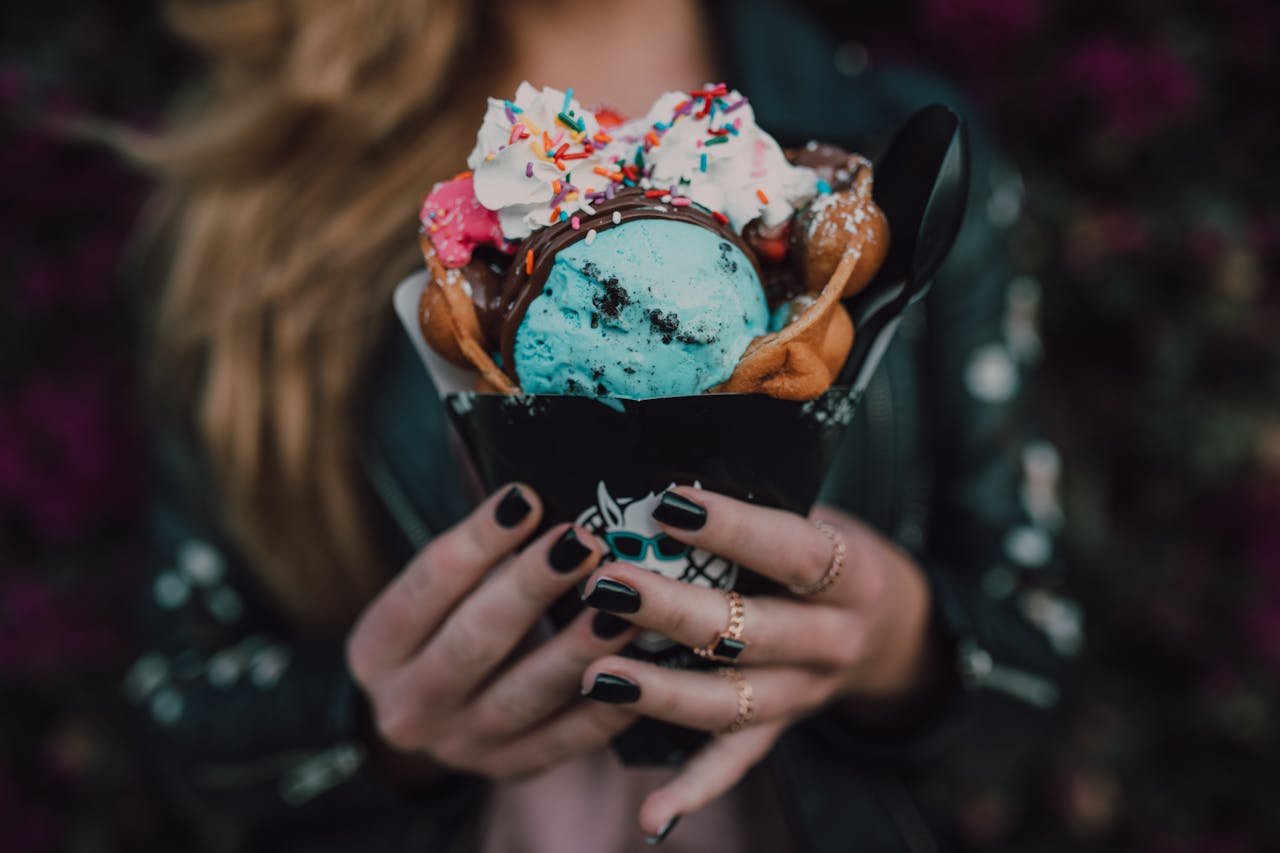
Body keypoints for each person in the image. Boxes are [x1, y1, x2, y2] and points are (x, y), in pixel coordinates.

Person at [124, 0, 1071, 849]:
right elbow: (181, 727)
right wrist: (369, 725)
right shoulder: (260, 196)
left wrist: (897, 640)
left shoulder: (894, 167)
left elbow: (1035, 676)